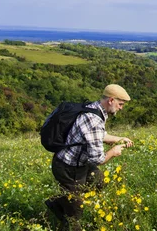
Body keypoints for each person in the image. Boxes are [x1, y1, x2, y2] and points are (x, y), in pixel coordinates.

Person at [45, 84, 134, 231]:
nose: (121, 108)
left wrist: (118, 138)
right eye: (121, 104)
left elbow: (98, 136)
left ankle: (60, 202)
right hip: (68, 168)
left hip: (80, 163)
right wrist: (113, 151)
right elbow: (98, 159)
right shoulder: (94, 121)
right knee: (75, 214)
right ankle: (64, 212)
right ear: (111, 100)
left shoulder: (95, 108)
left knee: (98, 181)